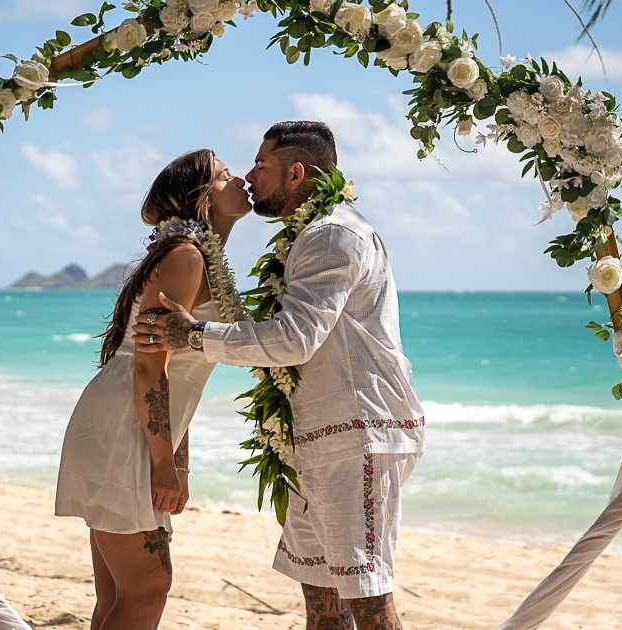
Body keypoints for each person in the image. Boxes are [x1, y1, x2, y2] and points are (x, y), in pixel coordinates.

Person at [132, 121, 426, 629]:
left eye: (261, 166)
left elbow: (295, 338)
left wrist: (195, 335)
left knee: (368, 603)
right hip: (316, 439)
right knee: (323, 609)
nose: (249, 177)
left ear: (295, 173)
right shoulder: (309, 236)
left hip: (355, 435)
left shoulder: (331, 233)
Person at [54, 149, 251, 629]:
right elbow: (149, 367)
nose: (240, 178)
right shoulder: (185, 257)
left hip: (127, 422)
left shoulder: (194, 256)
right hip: (125, 425)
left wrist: (177, 462)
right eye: (225, 175)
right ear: (201, 196)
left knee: (121, 592)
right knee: (146, 588)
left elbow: (177, 378)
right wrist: (164, 463)